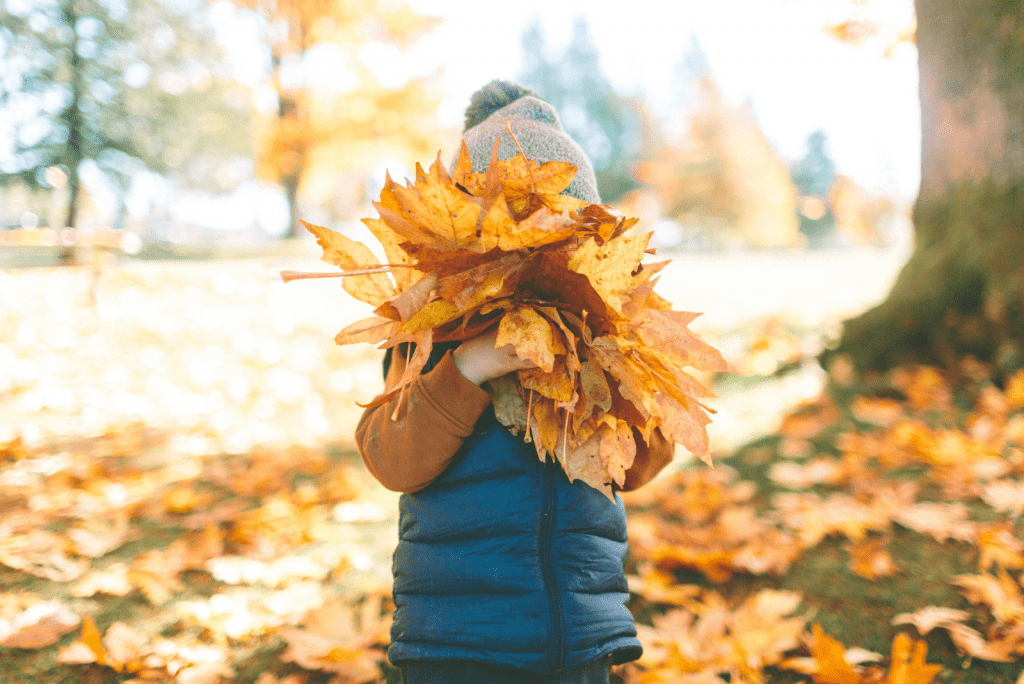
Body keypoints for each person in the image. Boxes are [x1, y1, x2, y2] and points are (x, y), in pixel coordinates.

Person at [356, 80, 674, 684]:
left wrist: (613, 374)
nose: (533, 251)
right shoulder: (432, 329)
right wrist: (470, 367)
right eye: (512, 228)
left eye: (560, 231)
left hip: (579, 635)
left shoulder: (605, 330)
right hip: (455, 644)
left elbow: (644, 462)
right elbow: (390, 457)